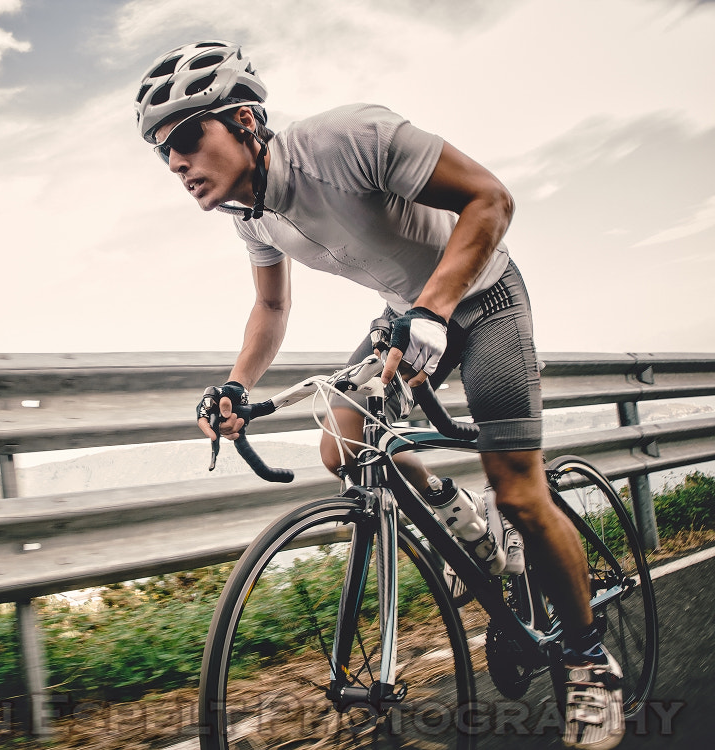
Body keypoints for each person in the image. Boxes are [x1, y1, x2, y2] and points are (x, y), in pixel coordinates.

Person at [135, 40, 625, 750]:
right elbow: (271, 309)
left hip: (484, 300)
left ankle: (588, 659)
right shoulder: (250, 213)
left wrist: (435, 307)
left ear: (244, 120)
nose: (175, 162)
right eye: (162, 152)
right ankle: (476, 536)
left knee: (519, 489)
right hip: (406, 316)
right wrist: (238, 385)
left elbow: (490, 200)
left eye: (186, 137)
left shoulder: (348, 139)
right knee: (344, 448)